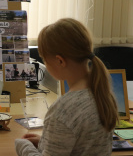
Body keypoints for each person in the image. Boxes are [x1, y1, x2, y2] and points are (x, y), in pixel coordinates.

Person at [15, 18, 118, 156]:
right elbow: (83, 145)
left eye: (44, 59)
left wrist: (24, 147)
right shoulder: (103, 95)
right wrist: (46, 142)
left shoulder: (63, 111)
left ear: (60, 61)